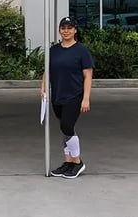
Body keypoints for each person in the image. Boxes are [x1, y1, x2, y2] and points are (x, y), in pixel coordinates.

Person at [40, 16, 94, 179]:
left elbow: (88, 76)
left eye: (70, 28)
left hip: (74, 95)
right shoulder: (54, 50)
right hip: (57, 95)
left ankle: (77, 162)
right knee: (65, 129)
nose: (66, 31)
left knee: (67, 126)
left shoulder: (81, 50)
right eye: (63, 28)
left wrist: (86, 98)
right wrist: (42, 88)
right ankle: (68, 162)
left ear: (75, 30)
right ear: (59, 30)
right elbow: (47, 71)